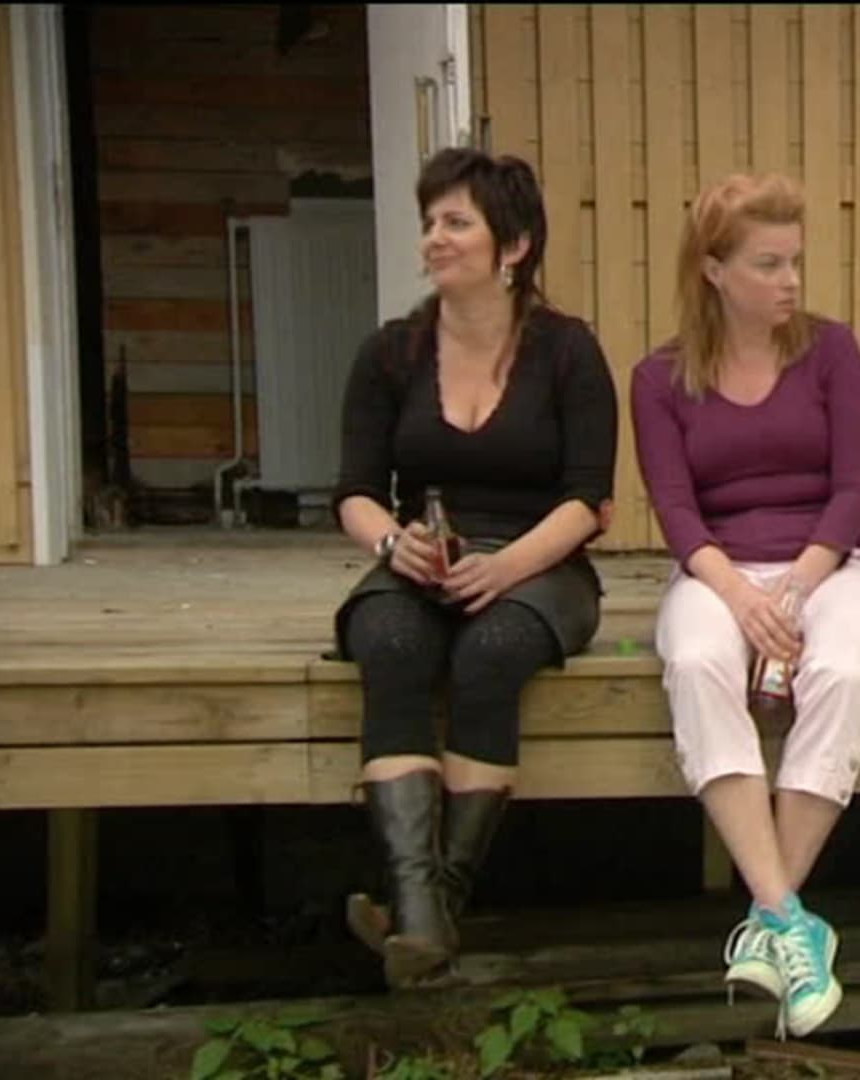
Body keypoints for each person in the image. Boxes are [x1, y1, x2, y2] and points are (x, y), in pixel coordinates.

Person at [330, 147, 619, 989]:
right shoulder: (389, 354)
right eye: (430, 222)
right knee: (388, 641)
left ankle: (421, 911)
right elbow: (354, 492)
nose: (435, 238)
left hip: (541, 559)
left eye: (457, 222)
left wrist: (506, 568)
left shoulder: (568, 351)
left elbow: (589, 498)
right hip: (424, 556)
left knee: (491, 653)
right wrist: (394, 545)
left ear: (514, 245)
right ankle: (425, 919)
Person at [631, 173, 860, 1039]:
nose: (791, 282)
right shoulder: (658, 377)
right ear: (714, 270)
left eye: (795, 262)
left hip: (828, 561)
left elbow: (854, 490)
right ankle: (791, 920)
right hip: (718, 570)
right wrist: (741, 596)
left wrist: (796, 587)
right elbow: (675, 511)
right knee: (697, 658)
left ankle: (765, 917)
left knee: (843, 668)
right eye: (768, 264)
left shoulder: (831, 351)